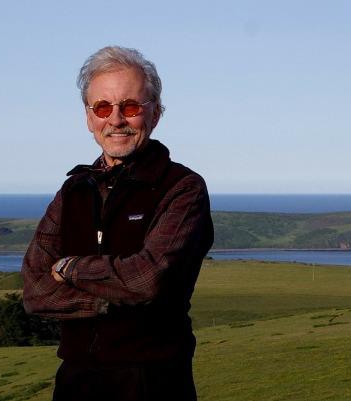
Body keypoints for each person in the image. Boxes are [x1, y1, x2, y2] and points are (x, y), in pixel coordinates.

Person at [22, 45, 214, 401]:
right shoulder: (73, 190)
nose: (116, 120)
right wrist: (108, 300)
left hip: (153, 382)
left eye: (130, 106)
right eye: (103, 107)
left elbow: (145, 279)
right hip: (75, 383)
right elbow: (34, 291)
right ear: (88, 116)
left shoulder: (183, 189)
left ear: (155, 113)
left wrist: (69, 267)